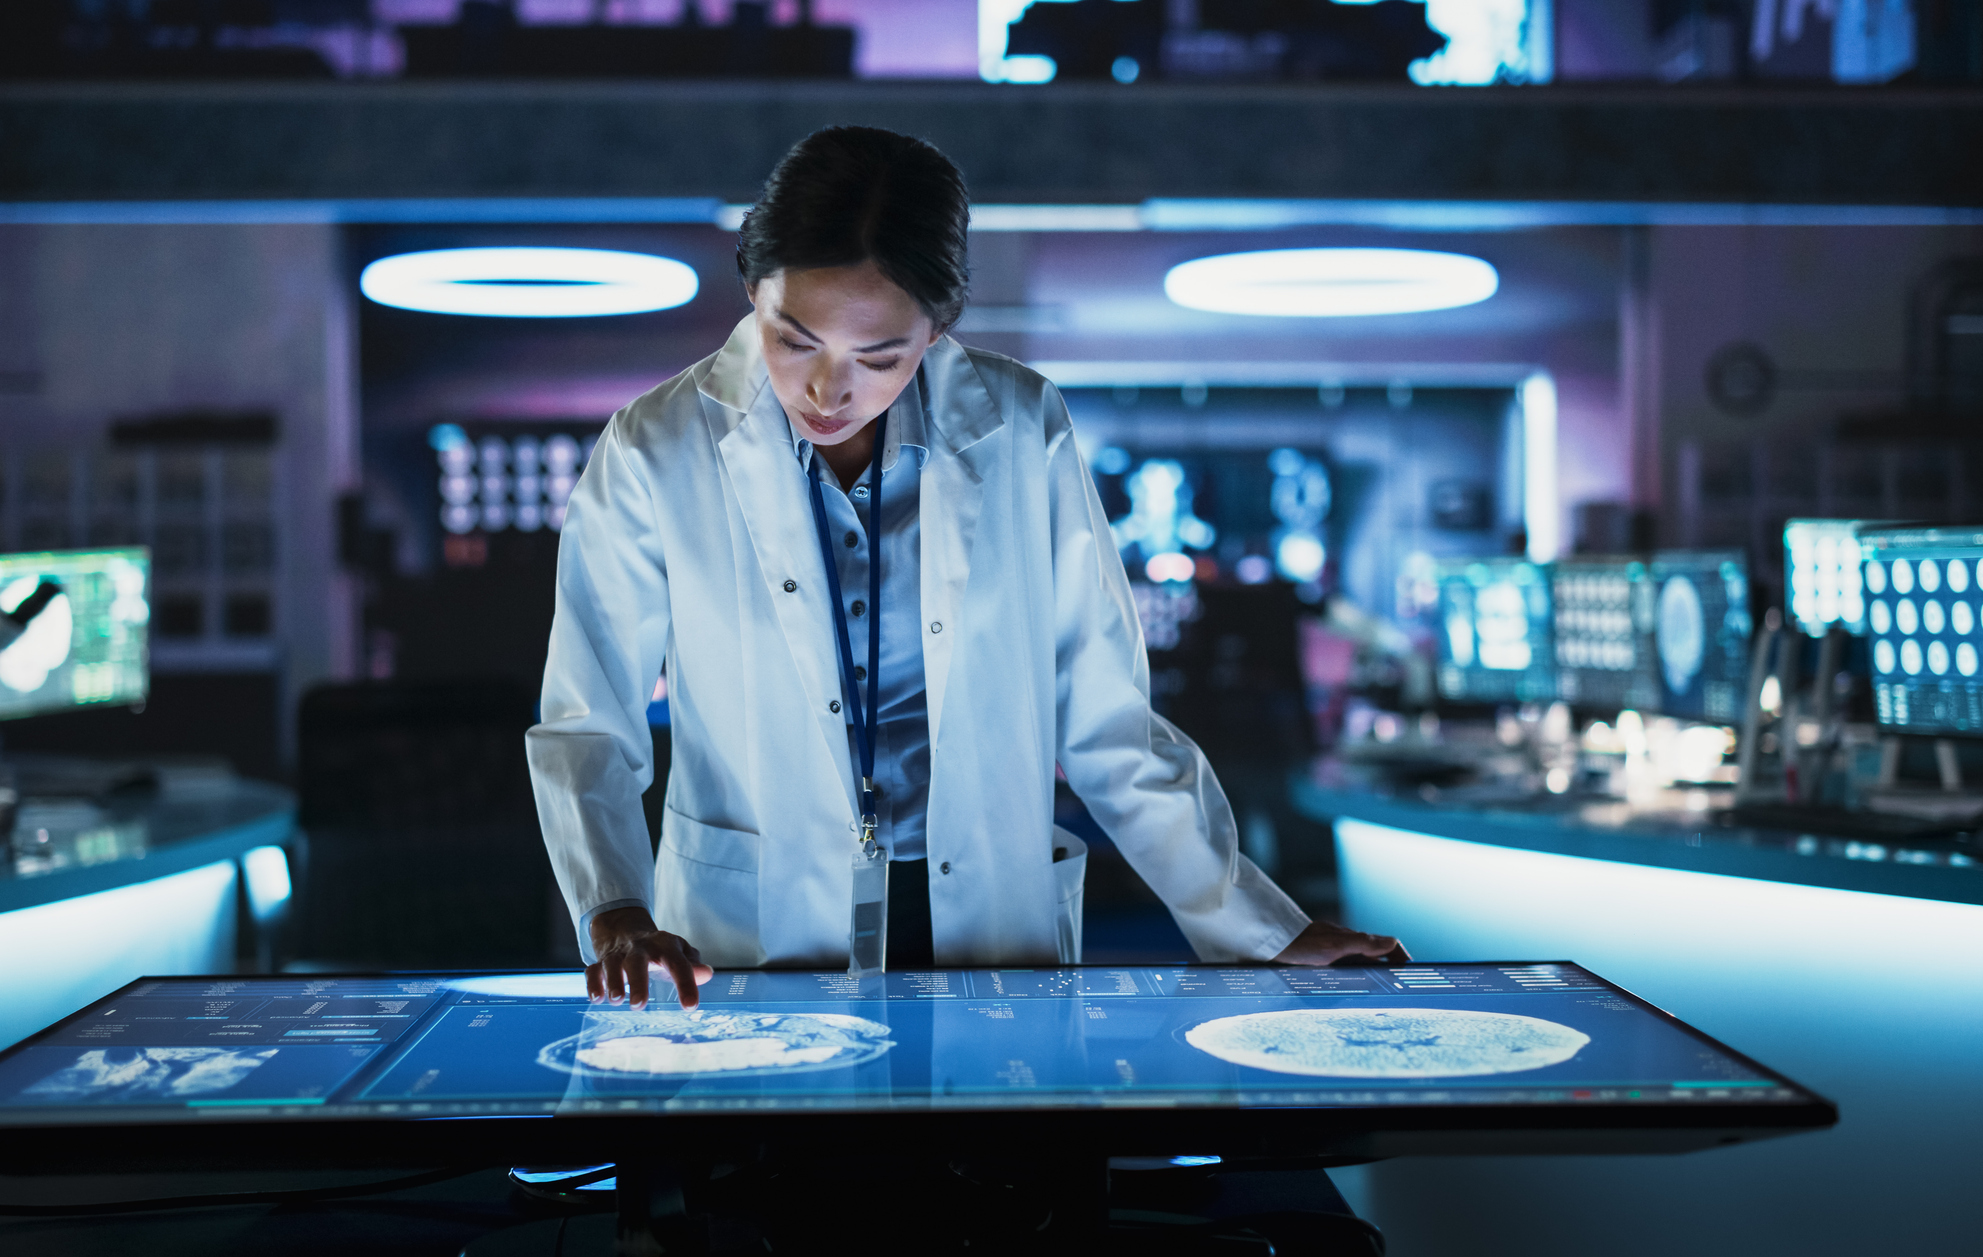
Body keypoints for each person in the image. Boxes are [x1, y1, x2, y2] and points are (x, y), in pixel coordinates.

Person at [530, 126, 1407, 1010]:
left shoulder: (1022, 428)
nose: (828, 392)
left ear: (937, 329)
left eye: (879, 357)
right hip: (748, 923)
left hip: (985, 907)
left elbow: (1104, 716)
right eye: (793, 339)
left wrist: (1263, 927)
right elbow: (589, 718)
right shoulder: (655, 447)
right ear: (753, 288)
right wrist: (616, 905)